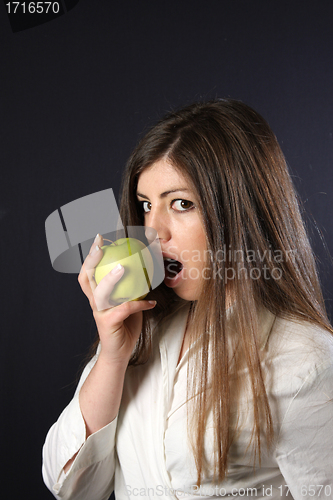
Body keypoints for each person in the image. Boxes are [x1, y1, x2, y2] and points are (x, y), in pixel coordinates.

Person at [42, 99, 333, 500]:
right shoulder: (140, 331)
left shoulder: (307, 362)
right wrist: (112, 357)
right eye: (146, 205)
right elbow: (71, 488)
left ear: (240, 213)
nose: (153, 230)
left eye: (181, 203)